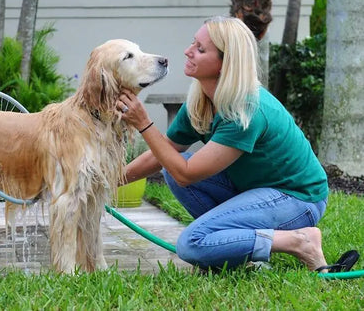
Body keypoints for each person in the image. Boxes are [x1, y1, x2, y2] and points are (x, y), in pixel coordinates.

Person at [116, 15, 334, 272]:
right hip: (252, 190)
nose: (188, 52)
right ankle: (239, 247)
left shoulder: (245, 111)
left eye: (200, 49)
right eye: (192, 43)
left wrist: (144, 124)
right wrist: (110, 182)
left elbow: (186, 175)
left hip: (296, 199)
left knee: (192, 243)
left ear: (225, 63)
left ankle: (299, 240)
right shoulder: (202, 101)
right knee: (172, 165)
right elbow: (164, 154)